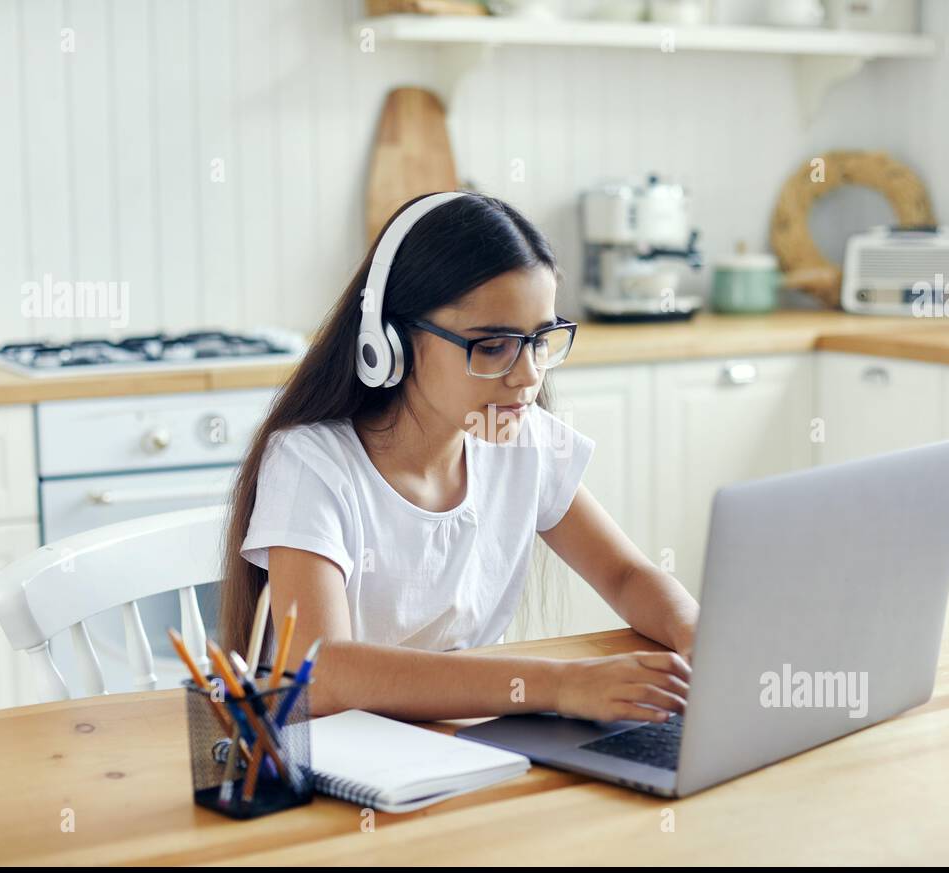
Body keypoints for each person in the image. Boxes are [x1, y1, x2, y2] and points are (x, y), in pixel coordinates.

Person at [221, 191, 697, 724]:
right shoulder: (313, 464)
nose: (528, 375)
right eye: (492, 346)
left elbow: (626, 576)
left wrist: (695, 632)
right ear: (389, 344)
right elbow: (321, 673)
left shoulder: (522, 440)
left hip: (463, 737)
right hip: (341, 757)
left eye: (541, 340)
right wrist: (558, 685)